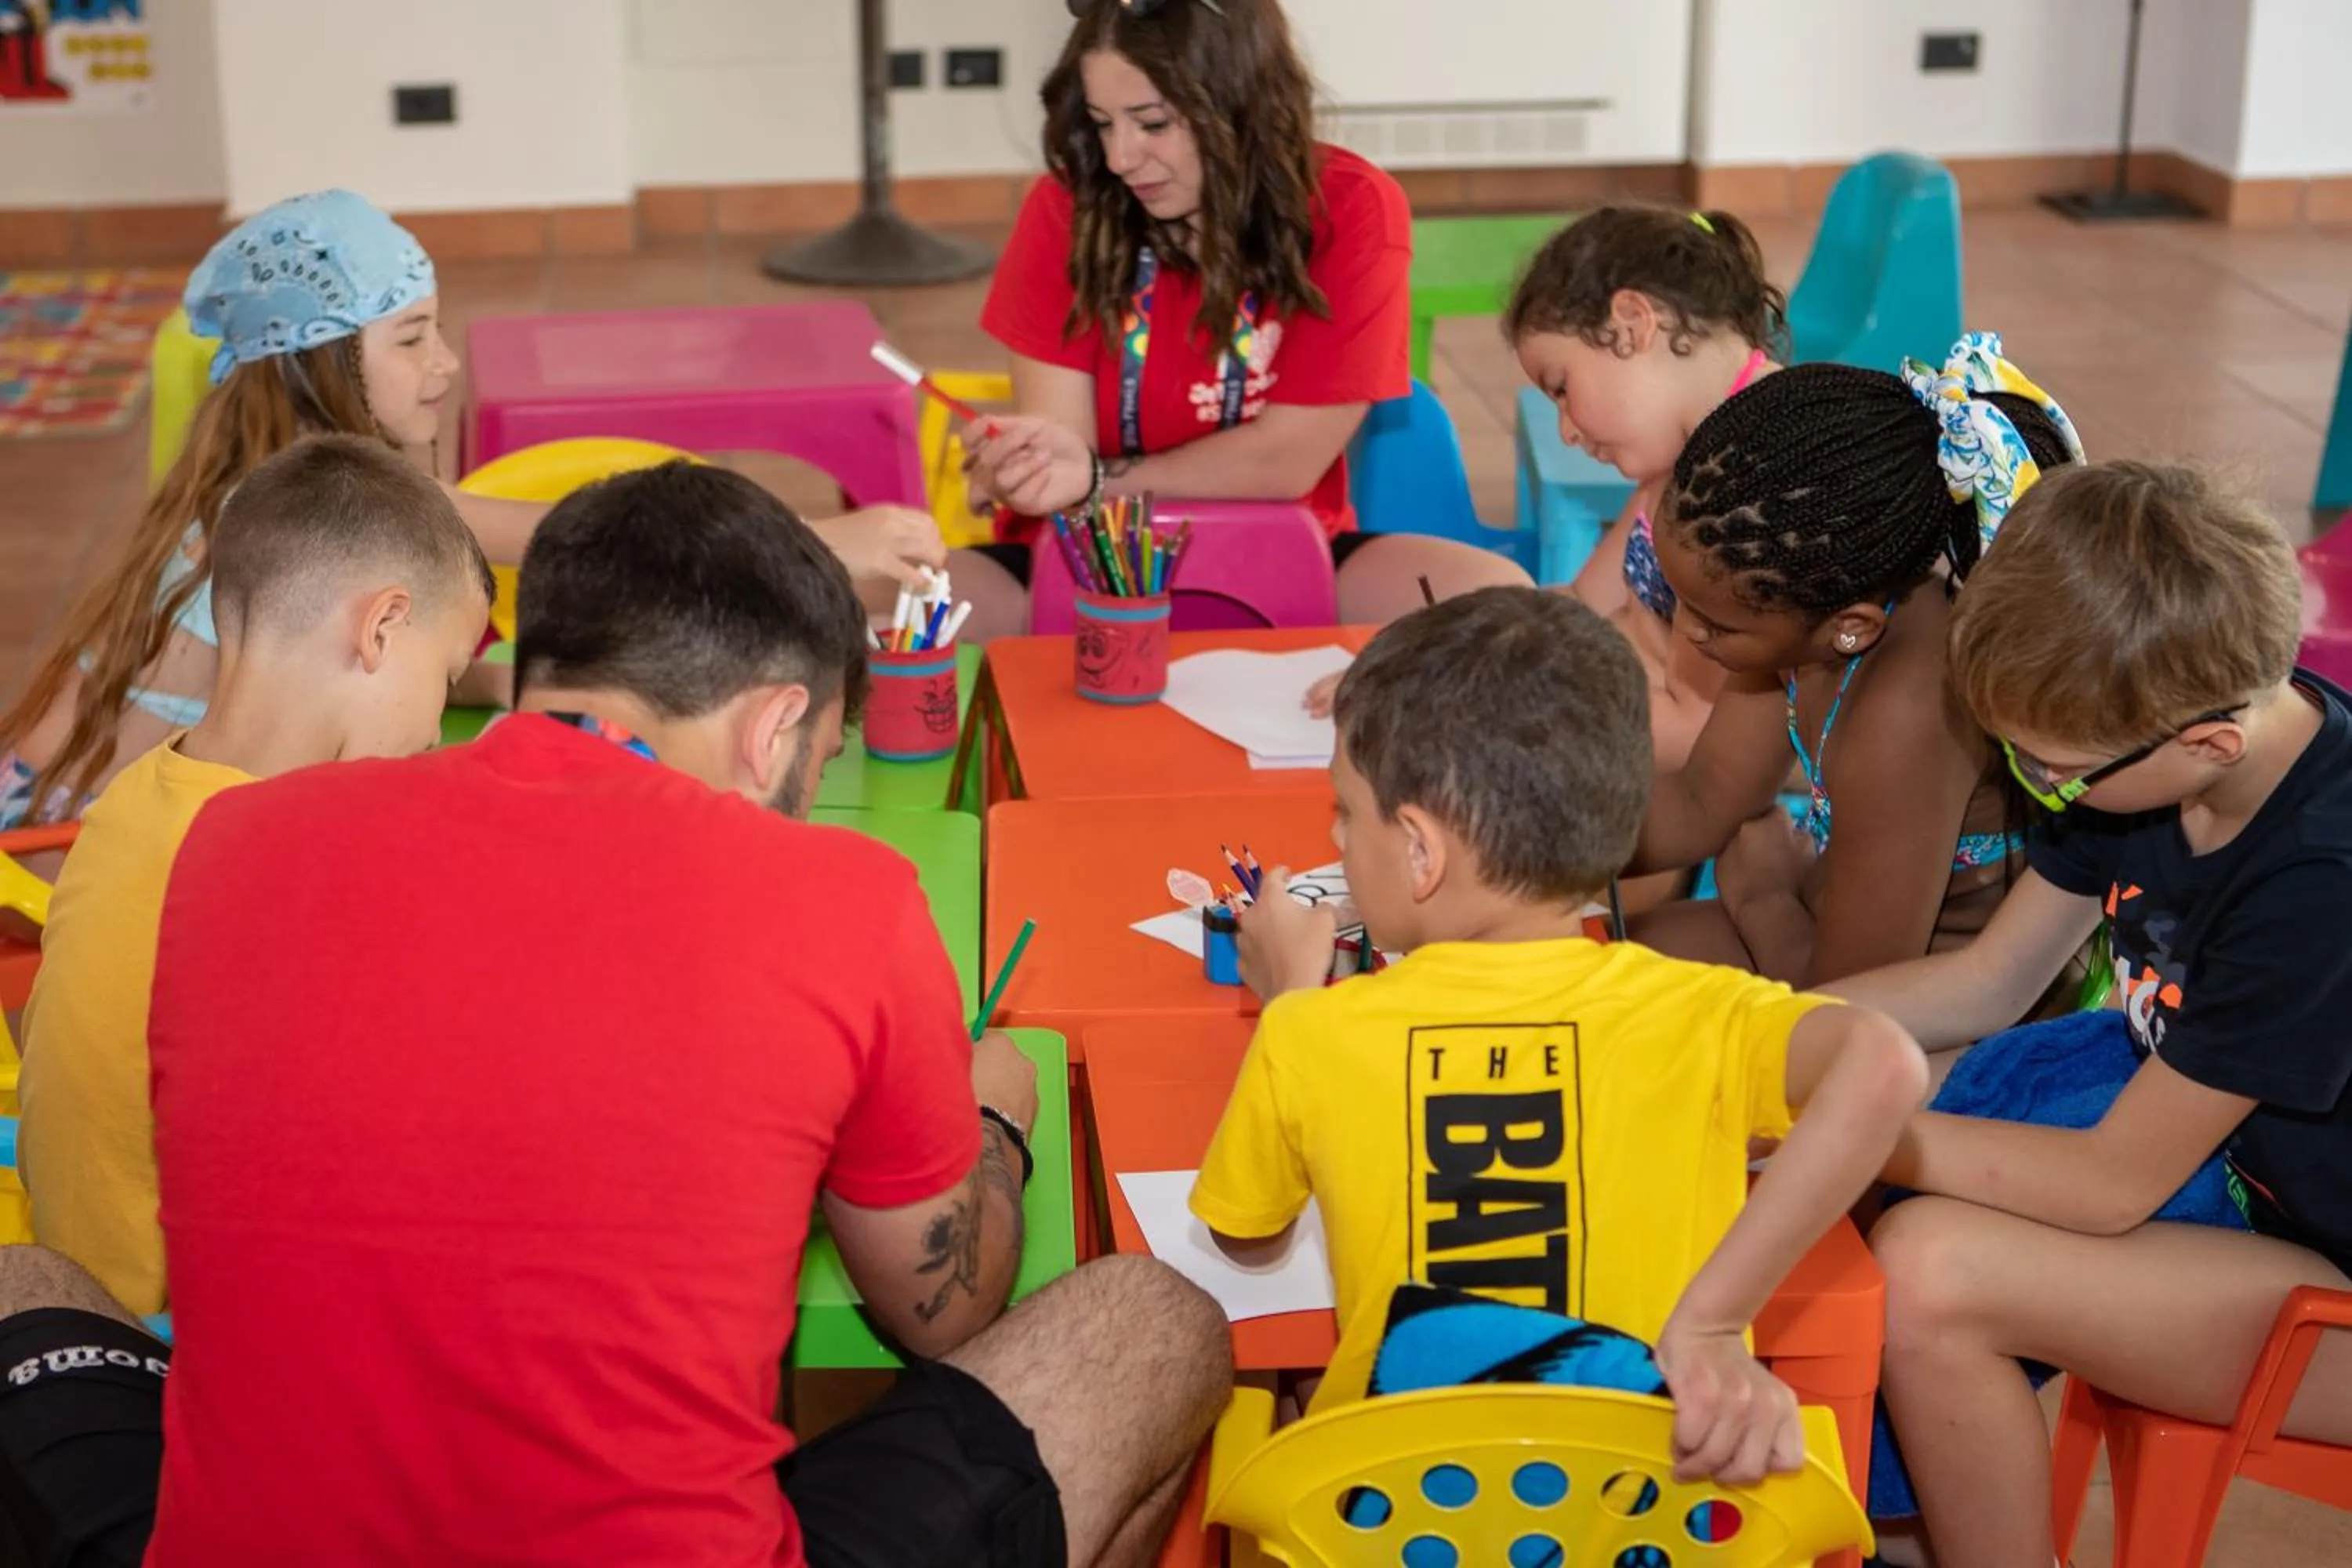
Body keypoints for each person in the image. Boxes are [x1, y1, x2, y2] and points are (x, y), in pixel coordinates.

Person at [0, 461, 1232, 1566]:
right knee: (1153, 1324)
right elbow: (942, 1313)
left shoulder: (233, 840)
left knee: (25, 1278)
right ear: (776, 727)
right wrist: (990, 1119)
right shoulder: (847, 897)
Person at [1195, 588, 1925, 1483]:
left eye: (1346, 814)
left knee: (1259, 1411)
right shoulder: (1704, 1010)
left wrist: (1286, 1003)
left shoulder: (1312, 1033)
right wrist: (1707, 1320)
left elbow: (1249, 1240)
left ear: (1421, 853)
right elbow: (1884, 1059)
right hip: (1645, 1518)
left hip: (1406, 1523)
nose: (1339, 839)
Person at [0, 187, 948, 832]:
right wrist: (817, 539)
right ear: (315, 361)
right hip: (75, 859)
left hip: (68, 819)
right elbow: (594, 539)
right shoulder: (329, 517)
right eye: (411, 338)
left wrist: (509, 695)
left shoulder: (284, 490)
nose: (445, 365)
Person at [1821, 462, 2352, 1568]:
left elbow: (2112, 1189)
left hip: (2329, 1287)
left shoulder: (2317, 881)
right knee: (1939, 1107)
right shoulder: (2138, 748)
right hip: (2253, 1189)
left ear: (2207, 742)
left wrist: (1839, 1120)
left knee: (1930, 1268)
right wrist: (1736, 1026)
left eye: (2052, 772)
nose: (2033, 784)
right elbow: (1989, 981)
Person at [17, 434, 492, 1319]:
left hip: (86, 1283)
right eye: (446, 676)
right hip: (188, 1338)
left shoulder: (136, 801)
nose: (434, 728)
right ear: (382, 627)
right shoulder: (284, 863)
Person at [959, 0, 1532, 630]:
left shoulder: (1352, 209)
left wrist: (1092, 478)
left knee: (1504, 606)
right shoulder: (1067, 207)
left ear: (1241, 106)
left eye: (1152, 124)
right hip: (1087, 554)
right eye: (1101, 123)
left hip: (1288, 549)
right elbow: (1062, 458)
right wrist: (1037, 469)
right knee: (866, 610)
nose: (1120, 158)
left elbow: (1283, 465)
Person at [1624, 336, 2085, 989]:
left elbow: (1851, 998)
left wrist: (1763, 895)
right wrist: (1525, 841)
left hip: (1933, 1009)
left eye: (1714, 621)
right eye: (1684, 602)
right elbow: (1701, 802)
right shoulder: (1790, 614)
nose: (1686, 631)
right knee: (1573, 971)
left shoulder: (1908, 712)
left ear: (1850, 629)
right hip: (1813, 929)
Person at [1306, 203, 1786, 781]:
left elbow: (1706, 735)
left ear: (1633, 323)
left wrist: (1480, 705)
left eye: (1562, 388)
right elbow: (1587, 605)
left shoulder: (1757, 482)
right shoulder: (1684, 463)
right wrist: (1432, 657)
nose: (1566, 429)